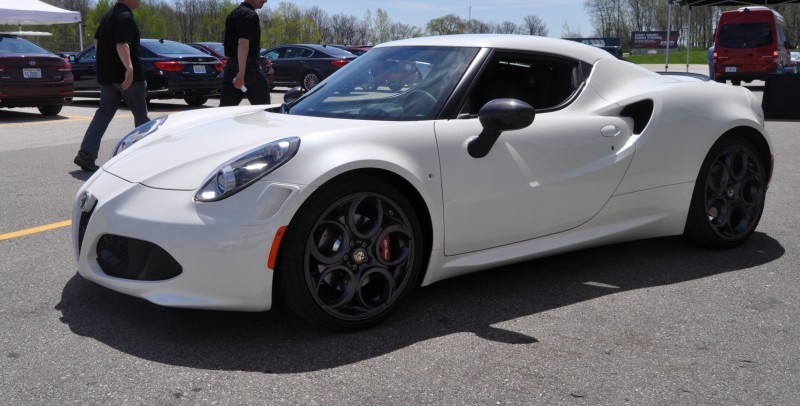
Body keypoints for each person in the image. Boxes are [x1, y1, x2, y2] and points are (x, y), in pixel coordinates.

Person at [73, 0, 149, 172]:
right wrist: (129, 68)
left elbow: (96, 41)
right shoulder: (124, 16)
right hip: (127, 79)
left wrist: (107, 61)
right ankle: (145, 157)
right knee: (142, 119)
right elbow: (121, 44)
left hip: (108, 78)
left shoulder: (108, 15)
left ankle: (86, 153)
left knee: (103, 115)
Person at [220, 0, 271, 107]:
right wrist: (241, 73)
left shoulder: (231, 15)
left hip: (230, 69)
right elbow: (243, 43)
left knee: (224, 111)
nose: (265, 1)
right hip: (249, 70)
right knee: (263, 111)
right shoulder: (251, 15)